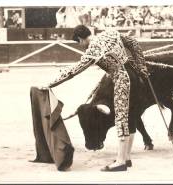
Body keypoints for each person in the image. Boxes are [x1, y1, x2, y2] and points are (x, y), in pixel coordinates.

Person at [43, 25, 149, 171]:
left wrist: (50, 84)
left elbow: (73, 71)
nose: (81, 46)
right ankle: (126, 157)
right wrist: (141, 67)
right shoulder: (110, 33)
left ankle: (121, 162)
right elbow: (133, 43)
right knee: (130, 116)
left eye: (79, 43)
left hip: (121, 80)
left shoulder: (92, 51)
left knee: (121, 118)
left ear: (80, 39)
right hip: (134, 76)